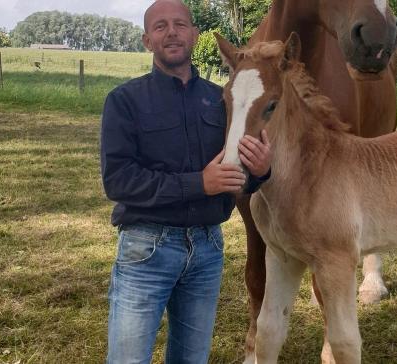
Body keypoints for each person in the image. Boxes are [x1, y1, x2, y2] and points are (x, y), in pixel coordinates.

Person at [99, 1, 271, 363]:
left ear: (194, 35)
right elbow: (118, 181)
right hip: (146, 248)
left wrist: (261, 171)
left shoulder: (220, 99)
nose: (172, 31)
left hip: (207, 249)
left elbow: (235, 175)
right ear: (147, 41)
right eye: (160, 26)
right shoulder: (124, 101)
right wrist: (198, 184)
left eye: (180, 24)